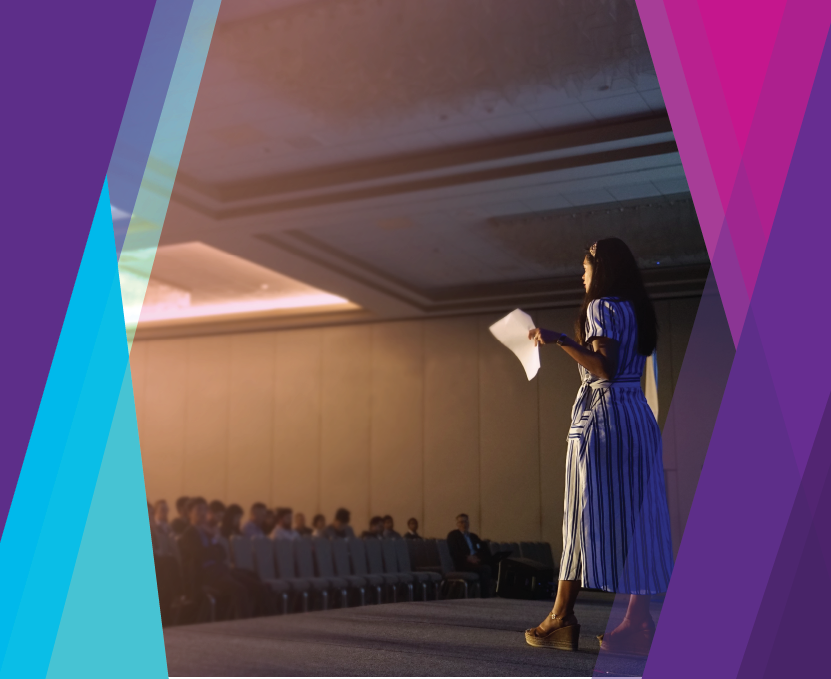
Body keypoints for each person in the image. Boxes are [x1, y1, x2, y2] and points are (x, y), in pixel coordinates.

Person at [524, 238, 674, 654]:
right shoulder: (637, 310)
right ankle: (638, 619)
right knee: (641, 517)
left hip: (604, 420)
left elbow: (603, 369)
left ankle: (561, 618)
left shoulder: (599, 307)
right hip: (637, 418)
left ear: (600, 269)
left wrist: (560, 340)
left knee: (581, 515)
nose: (582, 274)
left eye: (585, 266)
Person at [178, 497, 251, 620]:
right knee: (240, 590)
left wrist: (213, 547)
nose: (202, 513)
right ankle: (247, 625)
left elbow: (223, 553)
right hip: (206, 575)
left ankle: (269, 619)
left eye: (204, 509)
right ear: (189, 513)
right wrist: (214, 543)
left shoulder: (207, 532)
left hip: (219, 570)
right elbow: (202, 555)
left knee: (254, 581)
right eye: (198, 509)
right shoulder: (188, 534)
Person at [446, 514, 494, 598]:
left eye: (465, 522)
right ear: (457, 524)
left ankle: (496, 592)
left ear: (468, 523)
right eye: (461, 522)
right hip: (463, 563)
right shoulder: (453, 535)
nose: (463, 524)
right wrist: (467, 558)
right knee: (485, 569)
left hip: (476, 560)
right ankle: (485, 596)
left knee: (493, 565)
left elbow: (482, 549)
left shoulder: (473, 536)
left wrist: (478, 557)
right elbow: (454, 552)